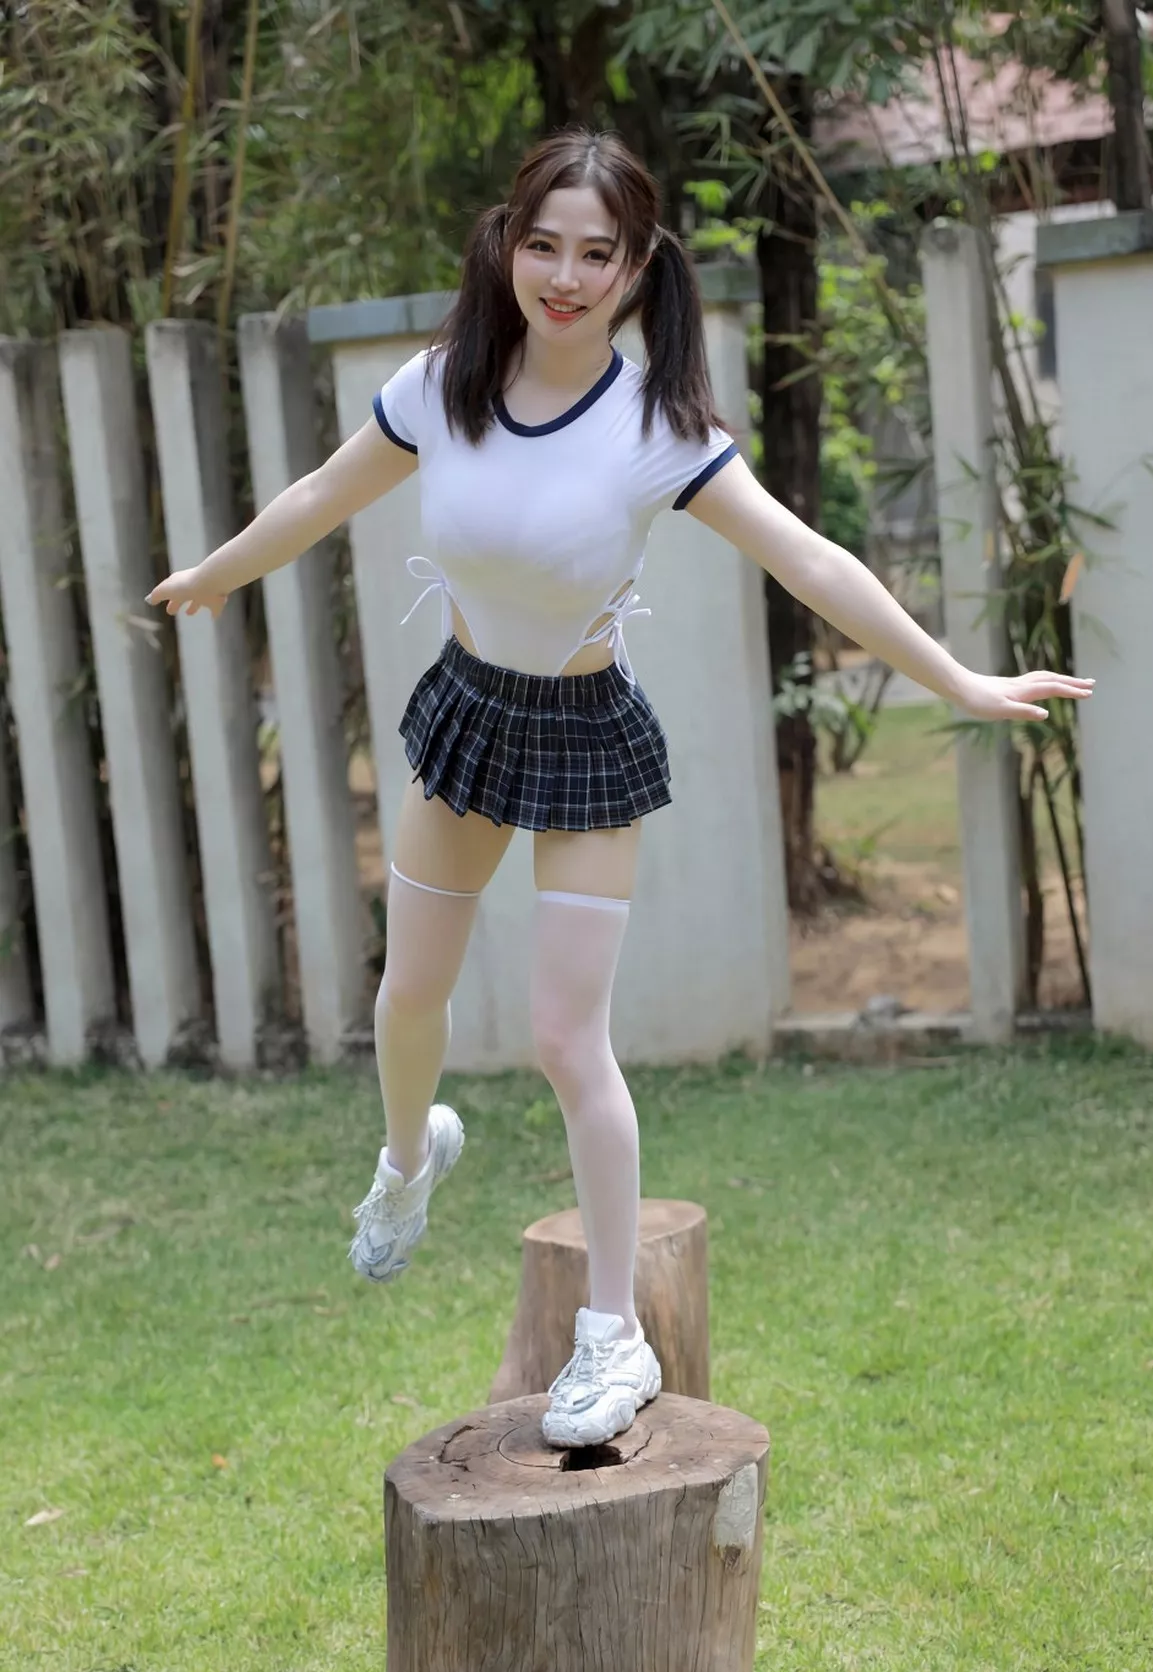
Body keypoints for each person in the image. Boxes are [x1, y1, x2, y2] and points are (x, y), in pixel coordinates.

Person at [146, 126, 1094, 1451]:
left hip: (588, 731)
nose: (566, 276)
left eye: (598, 254)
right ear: (507, 244)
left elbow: (814, 562)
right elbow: (321, 489)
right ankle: (408, 1163)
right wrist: (216, 573)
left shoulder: (659, 429)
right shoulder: (444, 384)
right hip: (469, 713)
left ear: (639, 267)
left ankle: (614, 1335)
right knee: (408, 996)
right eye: (544, 245)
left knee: (563, 1035)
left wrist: (960, 679)